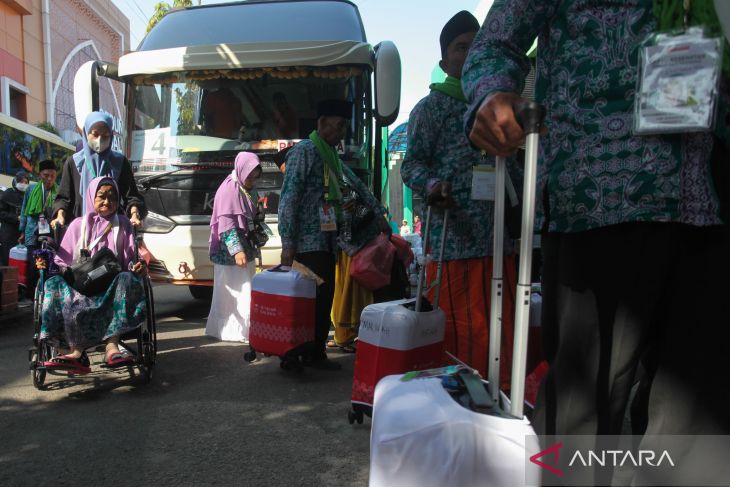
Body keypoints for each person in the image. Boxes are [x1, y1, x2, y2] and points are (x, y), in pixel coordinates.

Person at [463, 0, 730, 478]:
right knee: (582, 423)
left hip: (713, 198)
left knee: (698, 428)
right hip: (604, 195)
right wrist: (490, 94)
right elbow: (495, 44)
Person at [401, 10, 516, 386]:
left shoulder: (496, 105)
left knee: (503, 326)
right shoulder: (429, 109)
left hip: (498, 239)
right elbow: (411, 166)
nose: (468, 55)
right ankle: (460, 399)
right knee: (460, 330)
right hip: (454, 241)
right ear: (444, 61)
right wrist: (433, 185)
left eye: (476, 46)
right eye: (460, 47)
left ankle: (501, 394)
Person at [279, 99, 388, 370]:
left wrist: (378, 216)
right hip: (306, 242)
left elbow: (356, 186)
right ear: (322, 123)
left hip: (327, 241)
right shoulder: (304, 152)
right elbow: (289, 197)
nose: (342, 132)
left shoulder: (330, 157)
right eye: (338, 126)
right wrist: (287, 241)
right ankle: (294, 354)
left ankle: (314, 352)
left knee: (322, 299)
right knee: (307, 303)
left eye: (344, 127)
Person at [38, 176, 147, 373]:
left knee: (127, 278)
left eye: (113, 197)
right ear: (91, 197)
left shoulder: (123, 224)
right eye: (102, 196)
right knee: (52, 283)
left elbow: (131, 259)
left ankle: (112, 346)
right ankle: (75, 351)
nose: (108, 201)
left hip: (112, 288)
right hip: (81, 288)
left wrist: (137, 267)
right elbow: (61, 262)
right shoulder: (77, 225)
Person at [51, 111, 145, 229]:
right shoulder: (73, 162)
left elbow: (131, 196)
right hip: (81, 231)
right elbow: (64, 198)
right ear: (86, 133)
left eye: (105, 136)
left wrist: (134, 215)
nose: (99, 140)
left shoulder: (120, 162)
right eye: (95, 134)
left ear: (111, 136)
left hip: (113, 230)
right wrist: (60, 216)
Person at [206, 152, 263, 342]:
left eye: (255, 177)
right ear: (241, 171)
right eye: (249, 177)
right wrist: (237, 250)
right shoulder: (229, 190)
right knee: (237, 291)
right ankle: (237, 330)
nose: (252, 181)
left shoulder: (246, 188)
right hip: (230, 253)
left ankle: (239, 330)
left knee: (243, 289)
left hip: (245, 247)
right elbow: (226, 224)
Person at [19, 160, 58, 298]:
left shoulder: (58, 191)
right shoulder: (31, 189)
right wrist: (22, 231)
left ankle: (47, 294)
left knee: (49, 263)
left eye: (52, 176)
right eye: (46, 175)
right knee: (32, 264)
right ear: (39, 174)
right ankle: (30, 295)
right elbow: (24, 211)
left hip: (50, 233)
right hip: (32, 231)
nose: (49, 179)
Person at [0, 171, 29, 266]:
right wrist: (16, 218)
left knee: (20, 261)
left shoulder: (27, 196)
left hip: (22, 234)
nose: (23, 184)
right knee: (7, 259)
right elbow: (1, 213)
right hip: (8, 233)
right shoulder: (7, 194)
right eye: (21, 182)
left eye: (26, 182)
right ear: (15, 181)